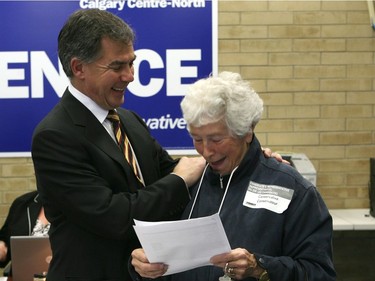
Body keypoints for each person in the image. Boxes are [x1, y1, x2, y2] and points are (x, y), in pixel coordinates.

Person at [31, 9, 207, 281]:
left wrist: (241, 161)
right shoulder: (55, 136)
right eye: (117, 67)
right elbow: (115, 215)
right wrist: (179, 180)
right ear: (79, 68)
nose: (130, 76)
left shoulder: (128, 120)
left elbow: (171, 171)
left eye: (131, 63)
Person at [130, 72, 337, 281]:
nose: (206, 151)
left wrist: (260, 268)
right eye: (197, 139)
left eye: (216, 139)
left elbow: (319, 274)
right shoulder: (187, 183)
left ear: (246, 131)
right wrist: (142, 268)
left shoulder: (294, 190)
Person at [0, 191, 49, 272]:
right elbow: (5, 239)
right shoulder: (22, 203)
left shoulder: (74, 205)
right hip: (24, 275)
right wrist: (3, 248)